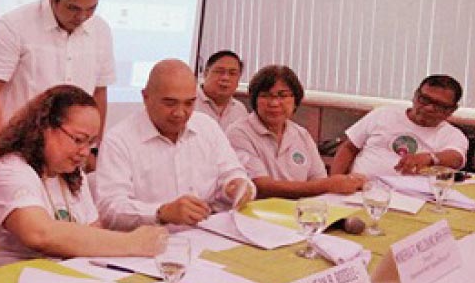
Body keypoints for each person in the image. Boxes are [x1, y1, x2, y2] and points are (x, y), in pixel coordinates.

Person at [0, 85, 167, 269]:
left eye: (91, 143)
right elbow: (40, 234)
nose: (84, 152)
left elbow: (94, 232)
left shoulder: (71, 174)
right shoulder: (9, 170)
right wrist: (132, 243)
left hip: (61, 279)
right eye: (78, 140)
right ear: (45, 127)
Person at [92, 59, 255, 230]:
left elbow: (233, 173)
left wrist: (236, 185)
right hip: (147, 245)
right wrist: (161, 212)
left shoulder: (207, 127)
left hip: (207, 236)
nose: (180, 113)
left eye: (189, 103)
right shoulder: (119, 140)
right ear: (146, 97)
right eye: (170, 103)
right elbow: (110, 209)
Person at [0, 0, 115, 155]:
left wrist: (92, 149)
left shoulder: (101, 31)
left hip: (72, 158)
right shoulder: (12, 27)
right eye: (73, 8)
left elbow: (99, 92)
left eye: (91, 8)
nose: (82, 17)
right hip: (21, 152)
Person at [226, 65, 365, 198]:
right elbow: (261, 187)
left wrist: (343, 183)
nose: (274, 103)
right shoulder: (238, 133)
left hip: (301, 213)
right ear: (254, 100)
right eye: (266, 95)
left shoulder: (301, 134)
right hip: (256, 215)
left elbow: (318, 178)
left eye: (282, 95)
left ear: (296, 100)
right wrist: (328, 184)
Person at [331, 75, 468, 176]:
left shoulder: (452, 135)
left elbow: (456, 158)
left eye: (440, 105)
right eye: (425, 100)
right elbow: (349, 148)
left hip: (415, 201)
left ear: (452, 110)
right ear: (415, 96)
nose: (429, 108)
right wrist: (334, 181)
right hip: (360, 190)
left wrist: (430, 158)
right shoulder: (383, 114)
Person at [195, 50, 248, 130]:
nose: (225, 78)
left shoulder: (240, 110)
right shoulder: (190, 103)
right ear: (206, 73)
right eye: (219, 72)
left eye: (232, 73)